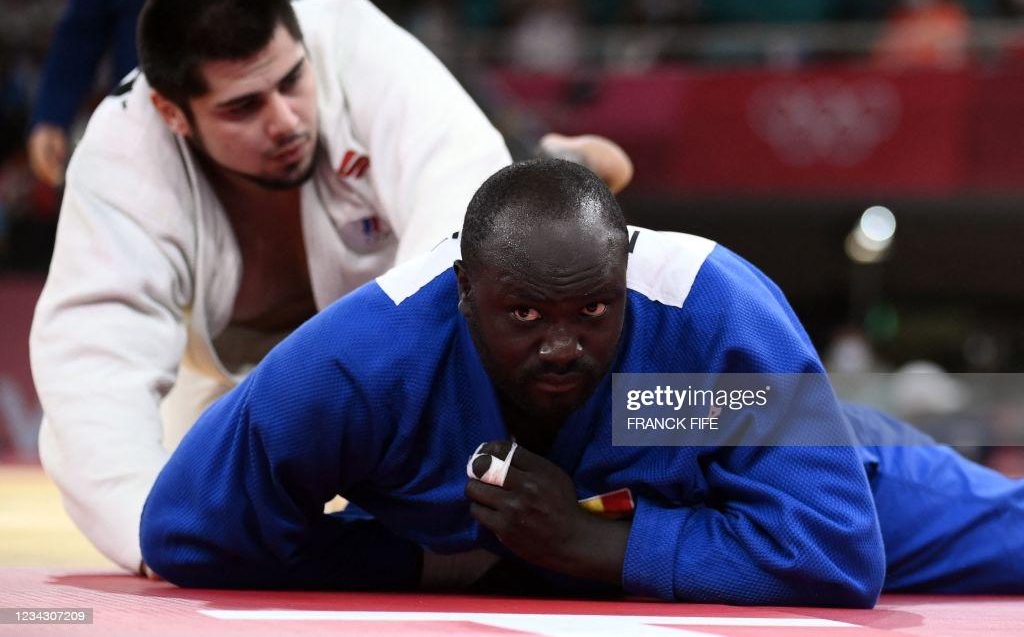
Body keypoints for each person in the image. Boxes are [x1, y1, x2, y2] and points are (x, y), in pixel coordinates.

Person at [140, 159, 1024, 605]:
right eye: (525, 315)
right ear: (463, 295)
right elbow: (187, 531)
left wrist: (581, 544)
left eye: (594, 311)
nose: (564, 345)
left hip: (759, 464)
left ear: (625, 278)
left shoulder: (707, 321)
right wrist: (413, 557)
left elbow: (836, 546)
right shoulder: (361, 366)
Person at [29, 0, 632, 574]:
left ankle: (541, 170)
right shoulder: (121, 156)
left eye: (292, 81)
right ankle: (542, 165)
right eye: (243, 108)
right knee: (183, 525)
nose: (284, 121)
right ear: (174, 113)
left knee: (494, 235)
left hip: (376, 333)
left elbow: (458, 248)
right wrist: (150, 546)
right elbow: (93, 362)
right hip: (222, 378)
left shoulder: (357, 48)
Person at [26, 0, 326, 187]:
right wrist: (52, 116)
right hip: (144, 128)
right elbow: (82, 33)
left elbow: (312, 19)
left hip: (245, 128)